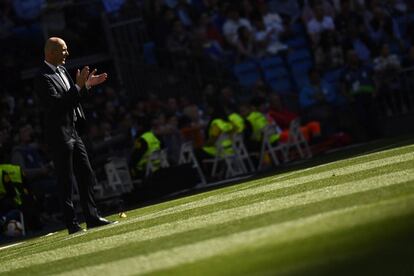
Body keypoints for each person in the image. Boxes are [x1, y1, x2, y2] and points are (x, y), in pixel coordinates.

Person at [34, 37, 116, 234]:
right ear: (51, 52)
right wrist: (79, 88)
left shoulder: (62, 70)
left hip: (73, 131)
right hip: (59, 134)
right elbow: (56, 106)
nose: (67, 54)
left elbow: (72, 99)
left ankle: (92, 217)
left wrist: (85, 86)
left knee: (85, 172)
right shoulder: (42, 76)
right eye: (63, 50)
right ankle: (72, 224)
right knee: (65, 180)